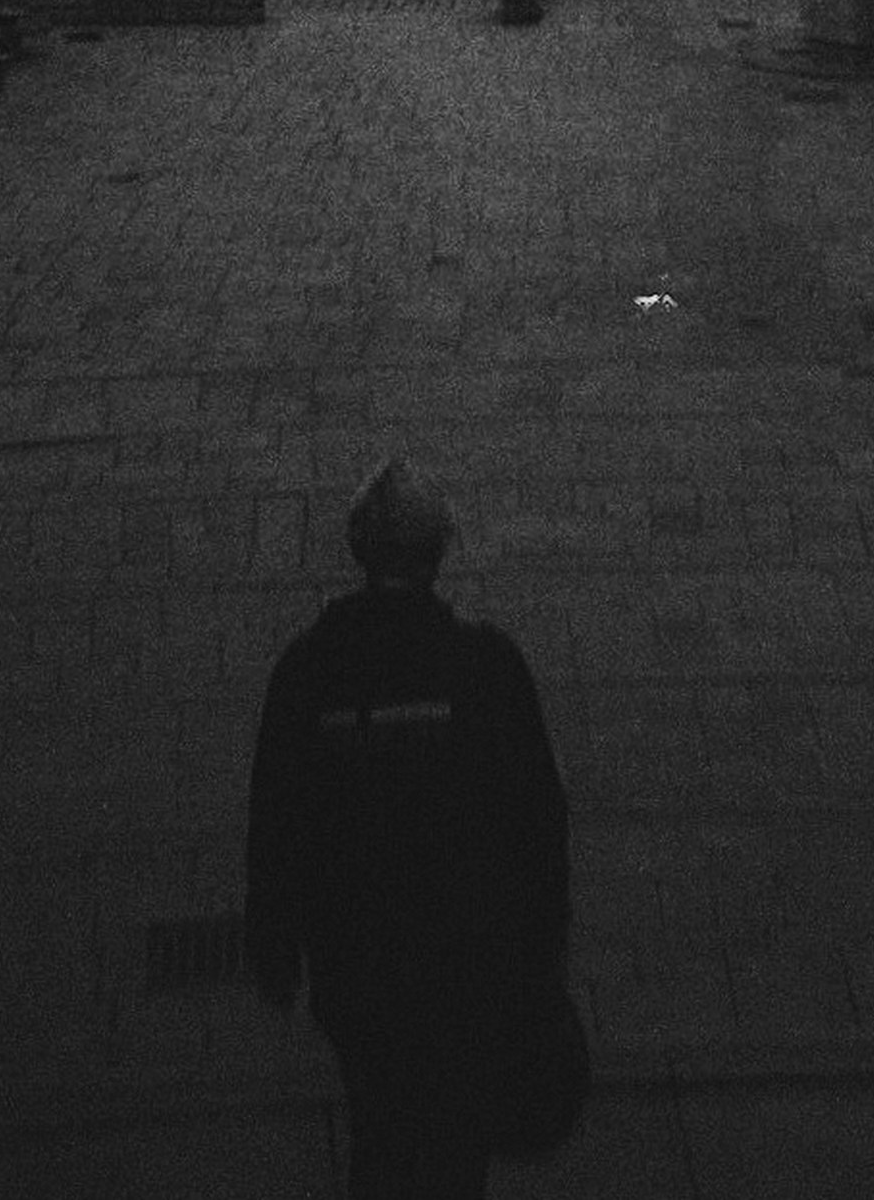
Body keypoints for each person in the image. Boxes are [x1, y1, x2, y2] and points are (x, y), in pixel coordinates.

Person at [246, 460, 570, 1200]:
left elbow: (277, 814)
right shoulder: (486, 666)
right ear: (440, 551)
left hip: (354, 957)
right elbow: (538, 815)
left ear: (360, 549)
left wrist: (275, 940)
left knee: (378, 1116)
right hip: (464, 955)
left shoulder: (309, 668)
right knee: (456, 1133)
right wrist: (542, 942)